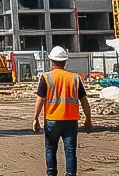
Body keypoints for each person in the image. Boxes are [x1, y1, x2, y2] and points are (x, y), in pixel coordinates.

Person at [33, 46, 92, 176]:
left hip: (52, 120)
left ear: (51, 61)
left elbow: (40, 100)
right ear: (65, 61)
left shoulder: (46, 77)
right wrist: (88, 118)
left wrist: (36, 118)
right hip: (71, 121)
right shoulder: (75, 78)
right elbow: (84, 100)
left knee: (50, 149)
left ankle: (51, 173)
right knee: (70, 151)